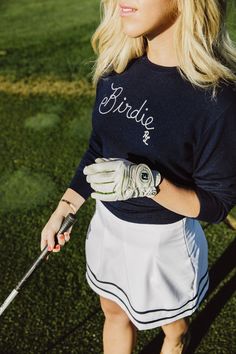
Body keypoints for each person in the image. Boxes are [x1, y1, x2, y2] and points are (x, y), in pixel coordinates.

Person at [40, 0, 236, 353]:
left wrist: (147, 183)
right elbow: (99, 147)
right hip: (108, 228)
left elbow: (216, 205)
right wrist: (65, 208)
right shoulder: (116, 68)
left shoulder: (217, 99)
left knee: (172, 325)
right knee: (113, 311)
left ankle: (178, 337)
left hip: (162, 244)